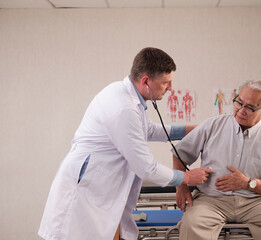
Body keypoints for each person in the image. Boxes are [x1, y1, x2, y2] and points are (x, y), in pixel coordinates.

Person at [38, 47, 212, 240]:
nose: (170, 88)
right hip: (87, 194)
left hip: (100, 193)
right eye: (165, 83)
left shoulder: (127, 96)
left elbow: (149, 130)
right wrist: (186, 178)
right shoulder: (123, 108)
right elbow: (147, 168)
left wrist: (193, 129)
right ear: (146, 81)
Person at [173, 80, 261, 240]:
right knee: (192, 224)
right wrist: (181, 186)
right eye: (239, 102)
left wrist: (247, 183)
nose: (241, 110)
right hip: (212, 200)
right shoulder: (212, 126)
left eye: (250, 107)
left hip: (256, 202)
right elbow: (180, 154)